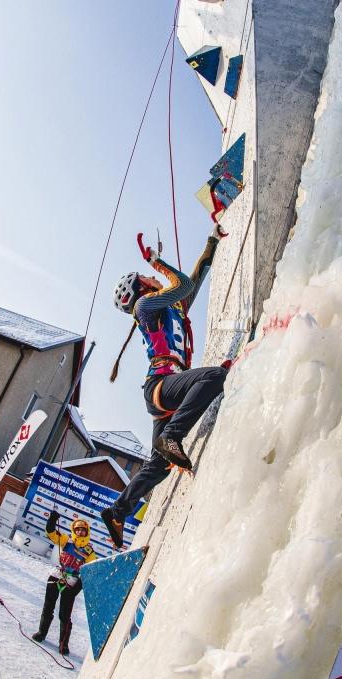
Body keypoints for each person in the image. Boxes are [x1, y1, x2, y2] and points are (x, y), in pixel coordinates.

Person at [99, 224, 230, 549]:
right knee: (213, 376)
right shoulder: (145, 307)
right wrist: (157, 261)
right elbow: (182, 283)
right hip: (162, 385)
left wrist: (211, 241)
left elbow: (194, 279)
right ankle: (172, 436)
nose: (155, 279)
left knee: (159, 465)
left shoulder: (173, 307)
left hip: (167, 392)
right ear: (142, 286)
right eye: (150, 277)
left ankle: (117, 513)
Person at [32, 511, 96, 656]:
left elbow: (89, 573)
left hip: (71, 582)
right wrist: (52, 518)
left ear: (86, 532)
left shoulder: (89, 551)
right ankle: (41, 633)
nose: (80, 531)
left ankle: (63, 645)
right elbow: (51, 532)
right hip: (57, 575)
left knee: (64, 615)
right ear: (74, 530)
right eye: (77, 529)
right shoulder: (66, 540)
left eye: (83, 529)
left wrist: (77, 588)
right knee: (48, 607)